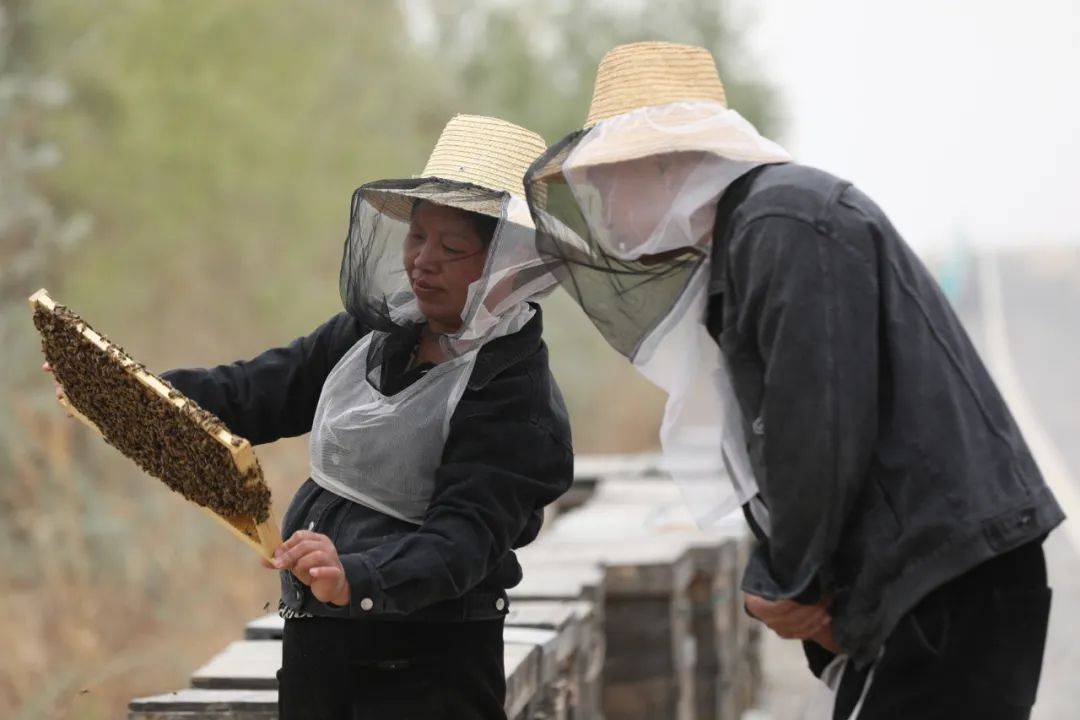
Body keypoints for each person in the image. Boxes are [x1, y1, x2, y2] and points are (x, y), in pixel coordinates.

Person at [524, 41, 1063, 719]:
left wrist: (789, 583)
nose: (602, 207)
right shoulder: (757, 228)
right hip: (930, 575)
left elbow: (815, 422)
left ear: (664, 165)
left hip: (943, 577)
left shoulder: (782, 225)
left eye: (609, 182)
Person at [110, 114, 568, 719]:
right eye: (417, 237)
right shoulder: (376, 331)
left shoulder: (515, 396)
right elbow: (260, 390)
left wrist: (360, 577)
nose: (422, 261)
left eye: (452, 248)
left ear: (507, 266)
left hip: (429, 675)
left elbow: (462, 541)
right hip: (320, 648)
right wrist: (131, 392)